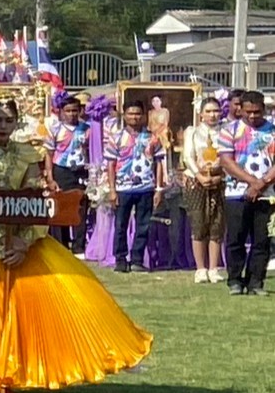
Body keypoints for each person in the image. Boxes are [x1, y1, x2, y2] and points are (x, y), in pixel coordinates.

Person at [0, 99, 152, 390]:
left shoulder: (27, 154)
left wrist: (23, 243)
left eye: (8, 121)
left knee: (58, 302)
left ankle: (25, 372)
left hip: (21, 240)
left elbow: (36, 202)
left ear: (16, 123)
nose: (2, 126)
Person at [219, 89, 275, 295]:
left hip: (267, 194)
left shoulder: (272, 130)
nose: (252, 116)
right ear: (240, 109)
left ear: (264, 110)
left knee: (262, 240)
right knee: (236, 238)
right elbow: (226, 161)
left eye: (257, 112)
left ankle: (255, 282)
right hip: (236, 193)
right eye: (248, 112)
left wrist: (262, 184)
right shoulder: (229, 130)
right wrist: (253, 182)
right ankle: (235, 280)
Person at [104, 100, 166, 273]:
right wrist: (112, 190)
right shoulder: (116, 137)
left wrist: (159, 189)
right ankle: (120, 259)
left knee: (143, 225)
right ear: (124, 115)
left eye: (138, 113)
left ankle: (137, 259)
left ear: (144, 116)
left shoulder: (152, 137)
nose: (134, 117)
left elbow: (159, 163)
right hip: (122, 189)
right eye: (130, 113)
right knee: (120, 225)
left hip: (146, 187)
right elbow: (111, 164)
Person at [181, 95, 228, 284]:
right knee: (198, 223)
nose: (212, 115)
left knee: (217, 223)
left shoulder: (226, 131)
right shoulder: (192, 132)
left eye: (216, 111)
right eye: (208, 111)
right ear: (201, 114)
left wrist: (219, 175)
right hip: (196, 181)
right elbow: (188, 156)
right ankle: (200, 268)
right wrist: (199, 176)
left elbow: (229, 157)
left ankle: (214, 268)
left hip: (220, 179)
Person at [45, 97, 91, 249]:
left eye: (74, 110)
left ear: (80, 111)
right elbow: (49, 154)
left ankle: (79, 246)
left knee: (80, 208)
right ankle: (61, 245)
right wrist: (50, 178)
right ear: (61, 112)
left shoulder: (87, 129)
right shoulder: (55, 130)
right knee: (61, 207)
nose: (71, 114)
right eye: (68, 111)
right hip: (61, 171)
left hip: (81, 171)